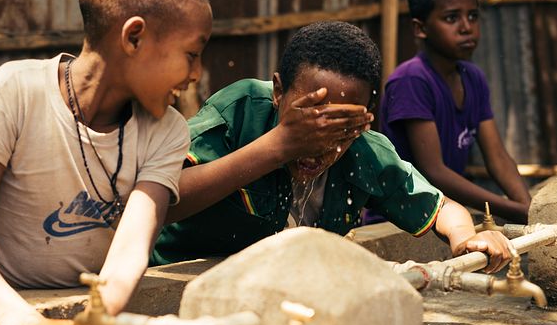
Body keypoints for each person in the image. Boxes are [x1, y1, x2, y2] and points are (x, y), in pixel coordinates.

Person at [0, 0, 213, 325]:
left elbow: (130, 250)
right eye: (192, 53)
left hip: (90, 318)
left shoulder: (167, 131)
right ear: (133, 37)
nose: (195, 75)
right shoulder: (17, 92)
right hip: (3, 314)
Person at [151, 21, 512, 273]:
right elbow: (160, 200)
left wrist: (467, 238)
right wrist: (277, 146)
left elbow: (442, 207)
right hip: (174, 287)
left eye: (340, 128)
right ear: (278, 92)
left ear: (366, 119)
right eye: (307, 120)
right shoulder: (242, 111)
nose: (319, 144)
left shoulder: (365, 152)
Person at [378, 0, 530, 224]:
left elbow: (498, 159)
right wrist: (514, 210)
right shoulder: (412, 80)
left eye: (473, 16)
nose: (466, 28)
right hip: (402, 223)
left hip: (447, 214)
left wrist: (528, 208)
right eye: (451, 18)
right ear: (420, 28)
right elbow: (434, 172)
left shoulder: (473, 77)